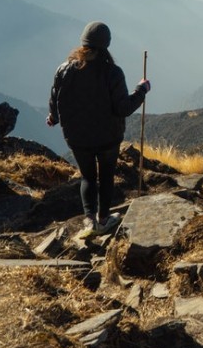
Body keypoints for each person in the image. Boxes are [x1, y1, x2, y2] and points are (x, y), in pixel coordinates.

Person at [47, 21, 150, 237]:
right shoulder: (112, 72)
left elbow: (56, 98)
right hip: (108, 137)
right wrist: (141, 90)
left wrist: (54, 118)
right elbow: (123, 108)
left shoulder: (64, 69)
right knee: (106, 177)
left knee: (87, 177)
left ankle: (89, 221)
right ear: (107, 44)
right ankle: (103, 220)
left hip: (77, 138)